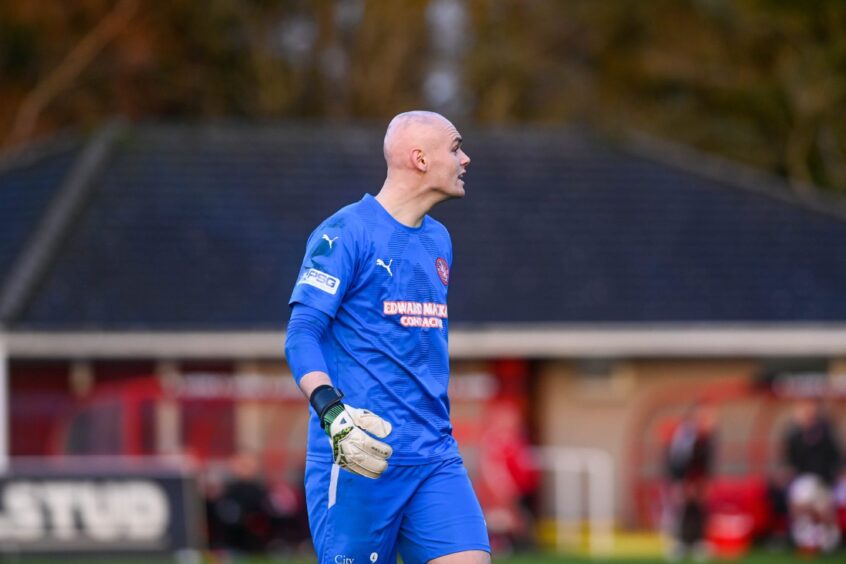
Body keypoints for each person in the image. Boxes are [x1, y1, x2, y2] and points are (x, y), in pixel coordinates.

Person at [284, 111, 490, 564]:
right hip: (360, 458)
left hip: (434, 457)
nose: (466, 158)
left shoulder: (440, 241)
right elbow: (302, 334)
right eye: (455, 148)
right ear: (419, 158)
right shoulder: (344, 232)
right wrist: (332, 414)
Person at [781, 398, 842, 553]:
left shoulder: (824, 430)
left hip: (823, 477)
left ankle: (829, 539)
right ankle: (806, 538)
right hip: (804, 478)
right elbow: (791, 458)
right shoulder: (795, 433)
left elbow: (835, 454)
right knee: (802, 503)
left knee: (823, 509)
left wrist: (835, 473)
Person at [663, 401, 717, 560]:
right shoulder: (685, 435)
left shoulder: (710, 436)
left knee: (700, 509)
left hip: (700, 478)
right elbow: (677, 459)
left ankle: (698, 541)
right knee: (682, 509)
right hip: (684, 477)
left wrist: (704, 481)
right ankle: (680, 542)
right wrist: (682, 481)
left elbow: (708, 461)